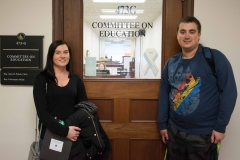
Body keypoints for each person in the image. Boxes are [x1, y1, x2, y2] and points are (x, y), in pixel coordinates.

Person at [157, 16, 237, 160]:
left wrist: (220, 126)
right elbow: (164, 93)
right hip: (174, 132)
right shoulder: (171, 63)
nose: (187, 36)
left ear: (199, 35)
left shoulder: (214, 58)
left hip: (204, 134)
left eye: (192, 31)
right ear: (177, 35)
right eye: (183, 31)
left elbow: (230, 92)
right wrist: (162, 124)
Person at [33, 40, 88, 148]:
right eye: (57, 52)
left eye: (65, 52)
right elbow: (42, 112)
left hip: (73, 136)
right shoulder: (41, 79)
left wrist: (71, 131)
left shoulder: (76, 80)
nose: (62, 56)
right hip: (49, 136)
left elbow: (84, 108)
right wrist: (65, 131)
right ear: (51, 56)